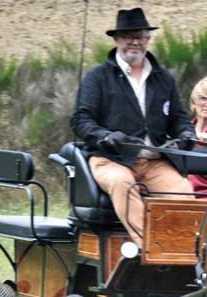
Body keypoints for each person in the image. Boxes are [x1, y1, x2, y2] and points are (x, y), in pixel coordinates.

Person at [70, 7, 196, 248]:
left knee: (183, 190)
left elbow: (178, 119)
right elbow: (80, 120)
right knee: (123, 184)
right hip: (110, 161)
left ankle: (181, 251)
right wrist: (105, 136)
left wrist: (186, 133)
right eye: (128, 37)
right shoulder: (97, 77)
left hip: (154, 163)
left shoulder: (164, 79)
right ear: (116, 40)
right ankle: (149, 249)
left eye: (139, 36)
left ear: (147, 39)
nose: (134, 42)